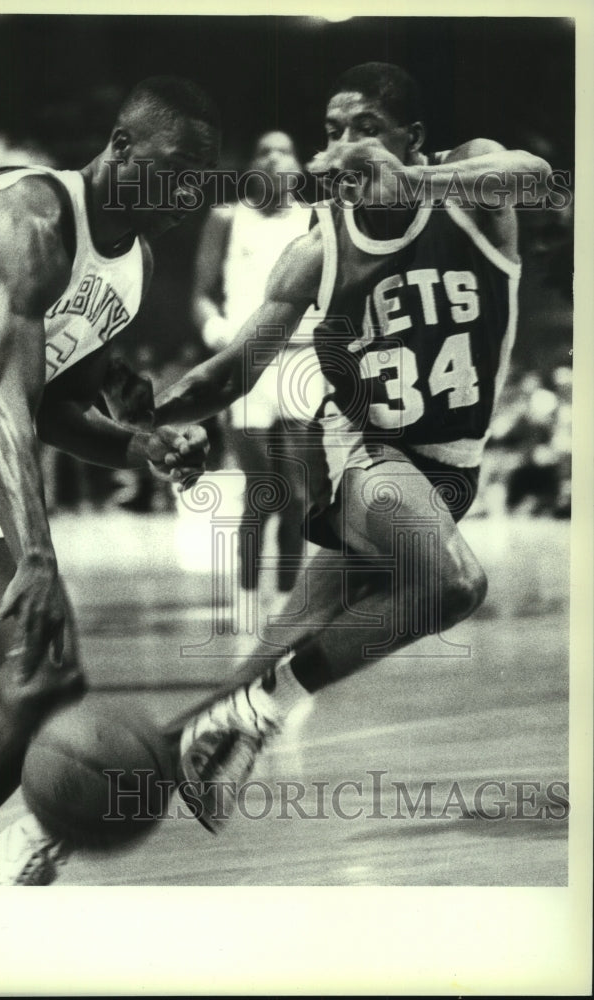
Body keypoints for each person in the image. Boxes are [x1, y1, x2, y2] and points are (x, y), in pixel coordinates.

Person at [153, 62, 552, 831]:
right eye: (333, 133)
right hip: (368, 454)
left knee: (272, 651)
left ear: (415, 139)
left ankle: (63, 817)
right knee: (454, 587)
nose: (344, 147)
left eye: (365, 128)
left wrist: (414, 185)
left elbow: (540, 176)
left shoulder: (474, 187)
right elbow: (232, 369)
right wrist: (151, 424)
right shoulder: (317, 246)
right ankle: (261, 711)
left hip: (450, 472)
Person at [0, 76, 218, 884]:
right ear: (121, 147)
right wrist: (38, 555)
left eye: (203, 176)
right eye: (176, 167)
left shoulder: (134, 264)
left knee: (41, 682)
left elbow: (52, 403)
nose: (190, 191)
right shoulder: (30, 217)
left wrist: (141, 448)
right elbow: (3, 402)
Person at [192, 131, 322, 597]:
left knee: (298, 493)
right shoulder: (227, 218)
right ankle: (247, 597)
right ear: (251, 165)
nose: (272, 158)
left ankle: (287, 600)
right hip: (246, 366)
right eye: (262, 150)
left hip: (300, 364)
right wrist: (220, 335)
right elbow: (203, 295)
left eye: (283, 150)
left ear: (299, 166)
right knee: (263, 486)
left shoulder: (316, 221)